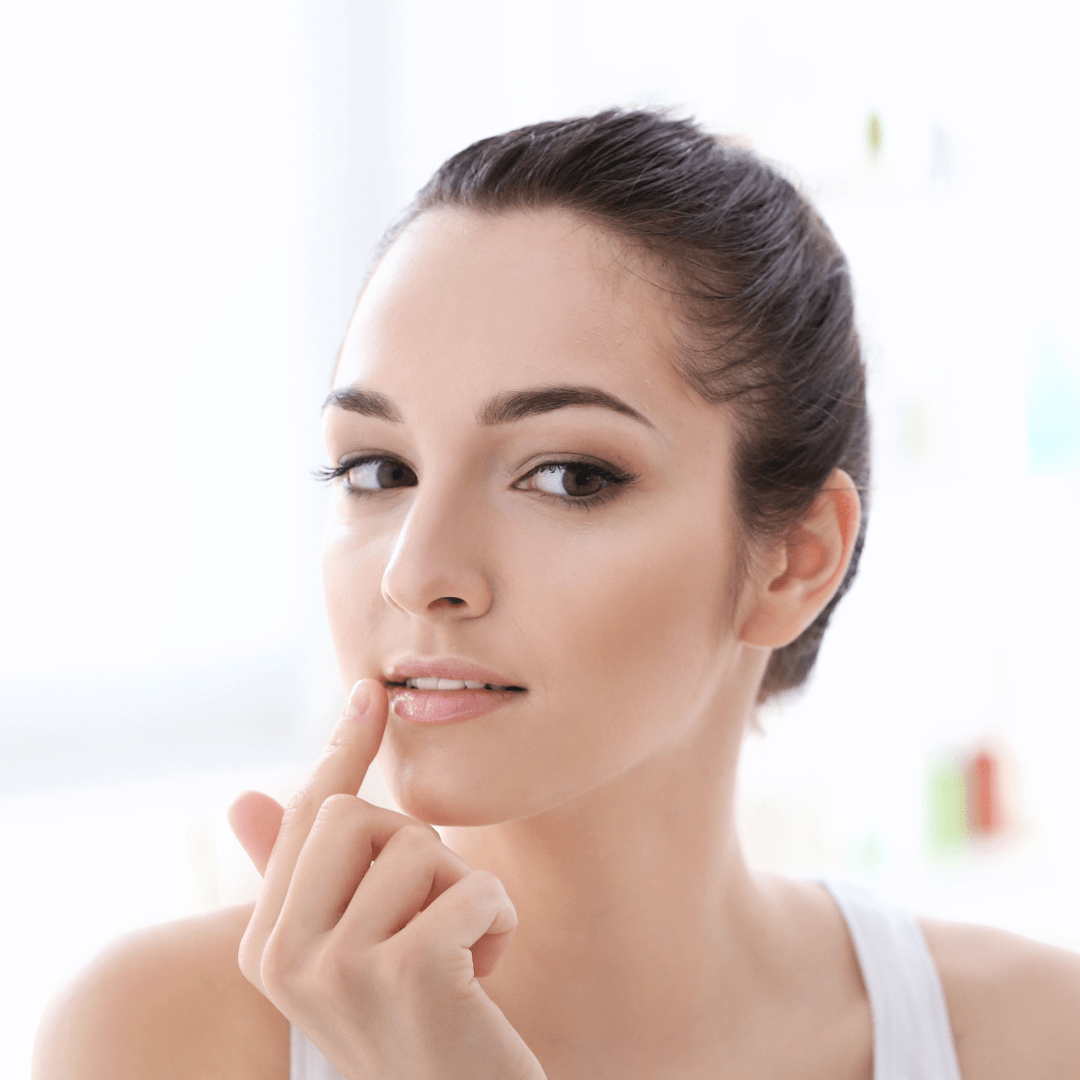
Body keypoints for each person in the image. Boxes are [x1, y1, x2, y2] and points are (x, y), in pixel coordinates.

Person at [33, 109, 1080, 1080]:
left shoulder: (1031, 1037)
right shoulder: (157, 1036)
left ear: (795, 558)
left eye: (568, 475)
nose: (416, 572)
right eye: (377, 471)